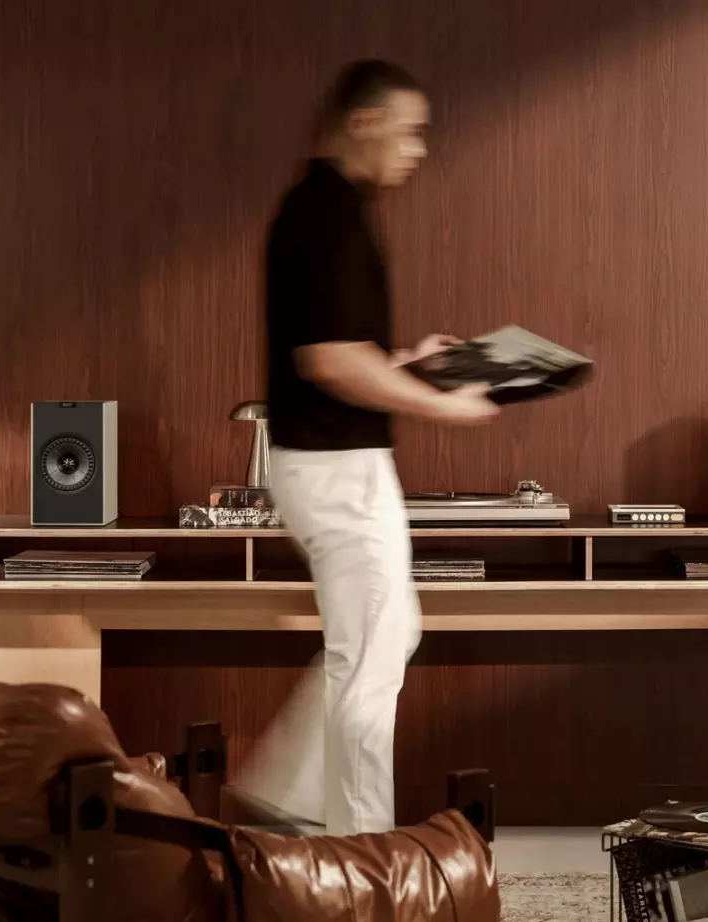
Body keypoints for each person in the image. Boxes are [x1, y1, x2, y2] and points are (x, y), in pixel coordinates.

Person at [235, 60, 499, 837]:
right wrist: (441, 404)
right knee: (370, 656)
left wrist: (413, 364)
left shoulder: (327, 209)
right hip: (335, 469)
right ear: (365, 122)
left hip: (332, 463)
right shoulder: (327, 219)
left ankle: (287, 796)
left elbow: (343, 349)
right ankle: (360, 851)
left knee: (389, 633)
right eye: (410, 131)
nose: (419, 149)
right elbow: (330, 362)